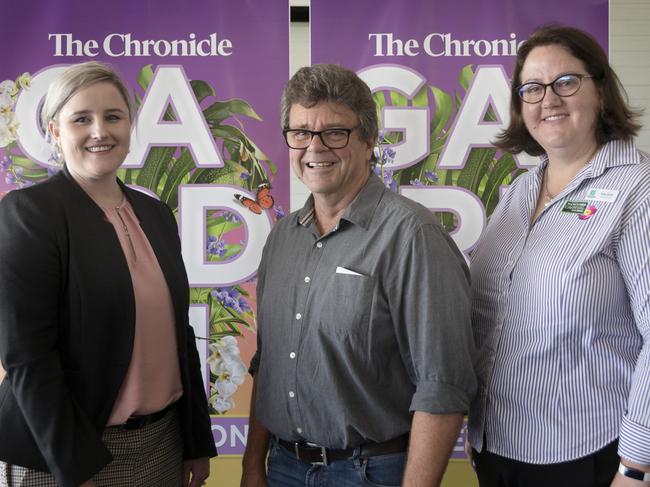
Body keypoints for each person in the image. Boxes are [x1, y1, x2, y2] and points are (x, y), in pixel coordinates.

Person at [240, 63, 477, 487]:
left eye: (335, 132)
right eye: (300, 133)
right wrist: (252, 465)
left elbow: (442, 386)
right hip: (282, 468)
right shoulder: (281, 238)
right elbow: (269, 364)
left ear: (369, 141)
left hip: (371, 472)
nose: (315, 147)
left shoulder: (412, 236)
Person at [0, 61, 217, 487]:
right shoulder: (29, 214)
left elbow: (179, 334)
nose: (100, 131)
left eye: (113, 117)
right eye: (81, 118)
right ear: (55, 131)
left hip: (160, 444)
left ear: (130, 125)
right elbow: (27, 357)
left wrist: (196, 441)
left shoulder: (154, 214)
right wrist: (75, 467)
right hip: (61, 453)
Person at [468, 25, 650, 487]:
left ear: (600, 89)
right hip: (500, 449)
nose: (548, 99)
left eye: (565, 82)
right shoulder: (517, 191)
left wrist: (636, 463)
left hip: (591, 453)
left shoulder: (637, 188)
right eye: (532, 88)